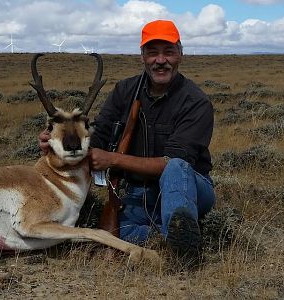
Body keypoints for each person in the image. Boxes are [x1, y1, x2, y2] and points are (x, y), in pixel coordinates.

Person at [39, 19, 215, 258]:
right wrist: (59, 144)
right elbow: (97, 138)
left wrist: (113, 160)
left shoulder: (196, 102)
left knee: (175, 167)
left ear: (180, 55)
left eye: (169, 52)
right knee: (117, 233)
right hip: (136, 195)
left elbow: (170, 163)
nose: (160, 60)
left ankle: (180, 234)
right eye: (152, 53)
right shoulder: (124, 91)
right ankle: (176, 235)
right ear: (142, 56)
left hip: (187, 189)